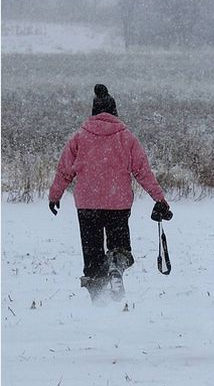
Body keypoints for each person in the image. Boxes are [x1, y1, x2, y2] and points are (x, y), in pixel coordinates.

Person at [48, 84, 171, 302]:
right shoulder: (126, 137)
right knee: (120, 246)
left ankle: (98, 299)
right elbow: (143, 171)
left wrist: (55, 196)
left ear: (93, 111)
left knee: (92, 253)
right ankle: (116, 265)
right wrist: (159, 198)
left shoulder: (79, 137)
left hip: (88, 204)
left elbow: (64, 170)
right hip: (118, 203)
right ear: (115, 112)